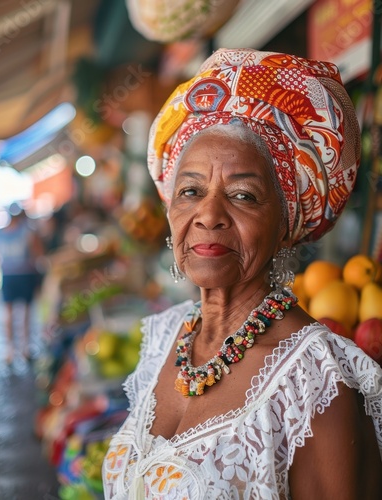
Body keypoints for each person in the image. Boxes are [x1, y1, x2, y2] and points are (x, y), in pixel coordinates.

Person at [102, 48, 382, 499]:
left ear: (287, 223)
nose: (208, 215)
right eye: (190, 190)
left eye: (244, 196)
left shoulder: (312, 383)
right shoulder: (164, 337)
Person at [0, 204, 44, 363]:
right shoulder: (27, 232)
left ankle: (10, 349)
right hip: (25, 275)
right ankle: (25, 347)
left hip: (7, 275)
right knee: (25, 311)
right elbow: (38, 253)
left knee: (8, 312)